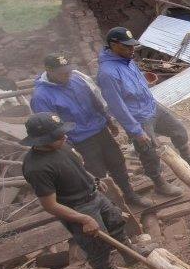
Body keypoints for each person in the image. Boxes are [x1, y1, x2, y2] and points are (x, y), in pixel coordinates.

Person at [21, 112, 143, 269]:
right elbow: (50, 205)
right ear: (41, 140)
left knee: (116, 222)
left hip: (93, 195)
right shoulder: (36, 168)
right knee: (97, 246)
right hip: (77, 208)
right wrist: (84, 219)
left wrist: (92, 179)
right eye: (58, 135)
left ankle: (130, 253)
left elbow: (77, 165)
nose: (65, 136)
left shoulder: (61, 145)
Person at [31, 54, 151, 207]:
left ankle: (129, 194)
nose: (67, 75)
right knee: (97, 175)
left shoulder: (76, 79)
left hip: (100, 130)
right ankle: (112, 206)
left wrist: (108, 121)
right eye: (63, 73)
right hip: (79, 140)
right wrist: (69, 149)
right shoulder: (41, 97)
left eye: (68, 70)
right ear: (49, 71)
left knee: (117, 163)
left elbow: (95, 102)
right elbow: (51, 128)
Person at [97, 27, 190, 197]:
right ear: (113, 45)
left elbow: (132, 79)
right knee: (149, 151)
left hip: (151, 106)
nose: (132, 49)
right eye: (127, 46)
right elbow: (117, 106)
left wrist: (143, 80)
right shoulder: (107, 73)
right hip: (138, 118)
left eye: (132, 46)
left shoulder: (126, 59)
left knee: (178, 128)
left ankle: (187, 156)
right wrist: (136, 131)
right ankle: (159, 183)